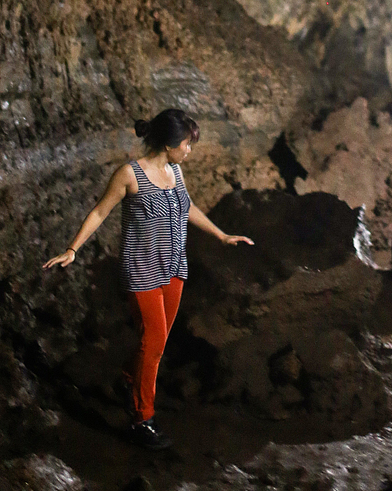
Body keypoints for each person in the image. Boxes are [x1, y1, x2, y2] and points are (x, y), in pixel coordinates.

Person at [43, 107, 253, 449]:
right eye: (187, 144)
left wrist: (221, 235)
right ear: (170, 143)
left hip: (173, 266)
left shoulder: (175, 171)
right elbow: (100, 210)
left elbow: (187, 208)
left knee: (157, 341)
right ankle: (142, 419)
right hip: (142, 268)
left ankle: (130, 379)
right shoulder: (129, 174)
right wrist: (73, 249)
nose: (189, 150)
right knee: (153, 342)